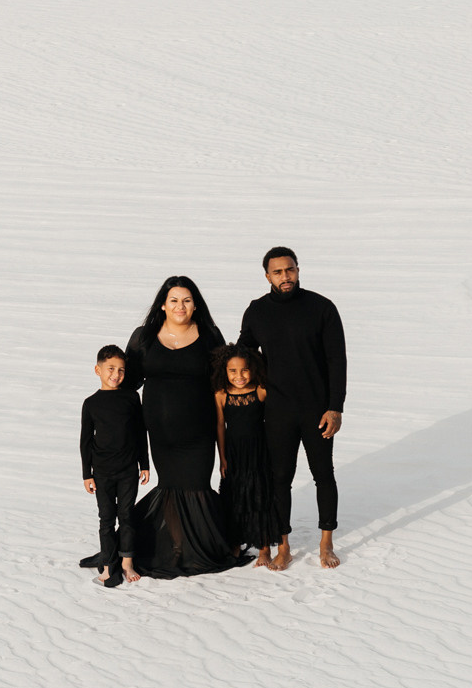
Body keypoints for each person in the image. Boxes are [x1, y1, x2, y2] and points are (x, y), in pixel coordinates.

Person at [237, 247, 346, 570]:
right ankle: (283, 545)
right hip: (277, 411)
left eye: (290, 270)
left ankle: (326, 543)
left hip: (317, 410)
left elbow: (337, 360)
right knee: (279, 479)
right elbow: (243, 357)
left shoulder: (322, 308)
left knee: (323, 474)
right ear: (267, 276)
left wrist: (335, 408)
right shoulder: (257, 311)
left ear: (298, 270)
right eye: (278, 272)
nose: (285, 277)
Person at [126, 276, 240, 577]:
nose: (181, 306)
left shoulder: (209, 335)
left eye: (187, 300)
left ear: (195, 305)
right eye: (174, 300)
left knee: (197, 486)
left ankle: (202, 548)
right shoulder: (143, 337)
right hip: (160, 432)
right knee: (171, 486)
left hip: (200, 430)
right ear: (163, 305)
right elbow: (129, 382)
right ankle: (177, 547)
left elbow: (223, 380)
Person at [79, 344, 149, 588]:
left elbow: (140, 432)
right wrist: (86, 474)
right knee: (106, 519)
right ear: (97, 370)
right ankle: (108, 565)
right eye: (110, 368)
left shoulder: (131, 398)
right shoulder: (91, 403)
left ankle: (127, 563)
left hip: (128, 469)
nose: (116, 374)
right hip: (102, 472)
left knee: (127, 516)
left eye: (121, 370)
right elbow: (85, 442)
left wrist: (144, 464)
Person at [213, 344, 279, 567]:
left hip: (258, 451)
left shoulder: (261, 390)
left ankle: (264, 548)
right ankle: (235, 543)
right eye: (233, 371)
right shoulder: (221, 394)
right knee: (234, 496)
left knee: (260, 494)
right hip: (234, 452)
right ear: (224, 371)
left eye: (244, 370)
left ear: (253, 369)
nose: (239, 376)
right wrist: (222, 457)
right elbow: (220, 426)